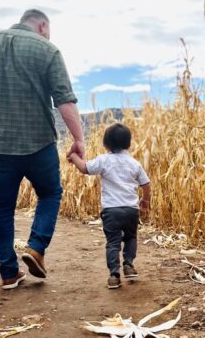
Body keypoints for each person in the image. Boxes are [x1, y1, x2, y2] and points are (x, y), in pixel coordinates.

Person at [0, 9, 85, 289]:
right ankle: (36, 247)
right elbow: (65, 101)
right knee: (50, 193)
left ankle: (9, 274)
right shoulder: (47, 49)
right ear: (42, 26)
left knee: (2, 207)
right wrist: (78, 139)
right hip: (38, 142)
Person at [68, 123, 151, 289]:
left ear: (106, 143)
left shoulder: (104, 160)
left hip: (111, 210)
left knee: (113, 243)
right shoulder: (134, 163)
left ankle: (114, 275)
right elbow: (146, 183)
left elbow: (85, 168)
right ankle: (129, 265)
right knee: (131, 237)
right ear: (128, 143)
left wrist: (74, 157)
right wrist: (145, 200)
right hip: (130, 209)